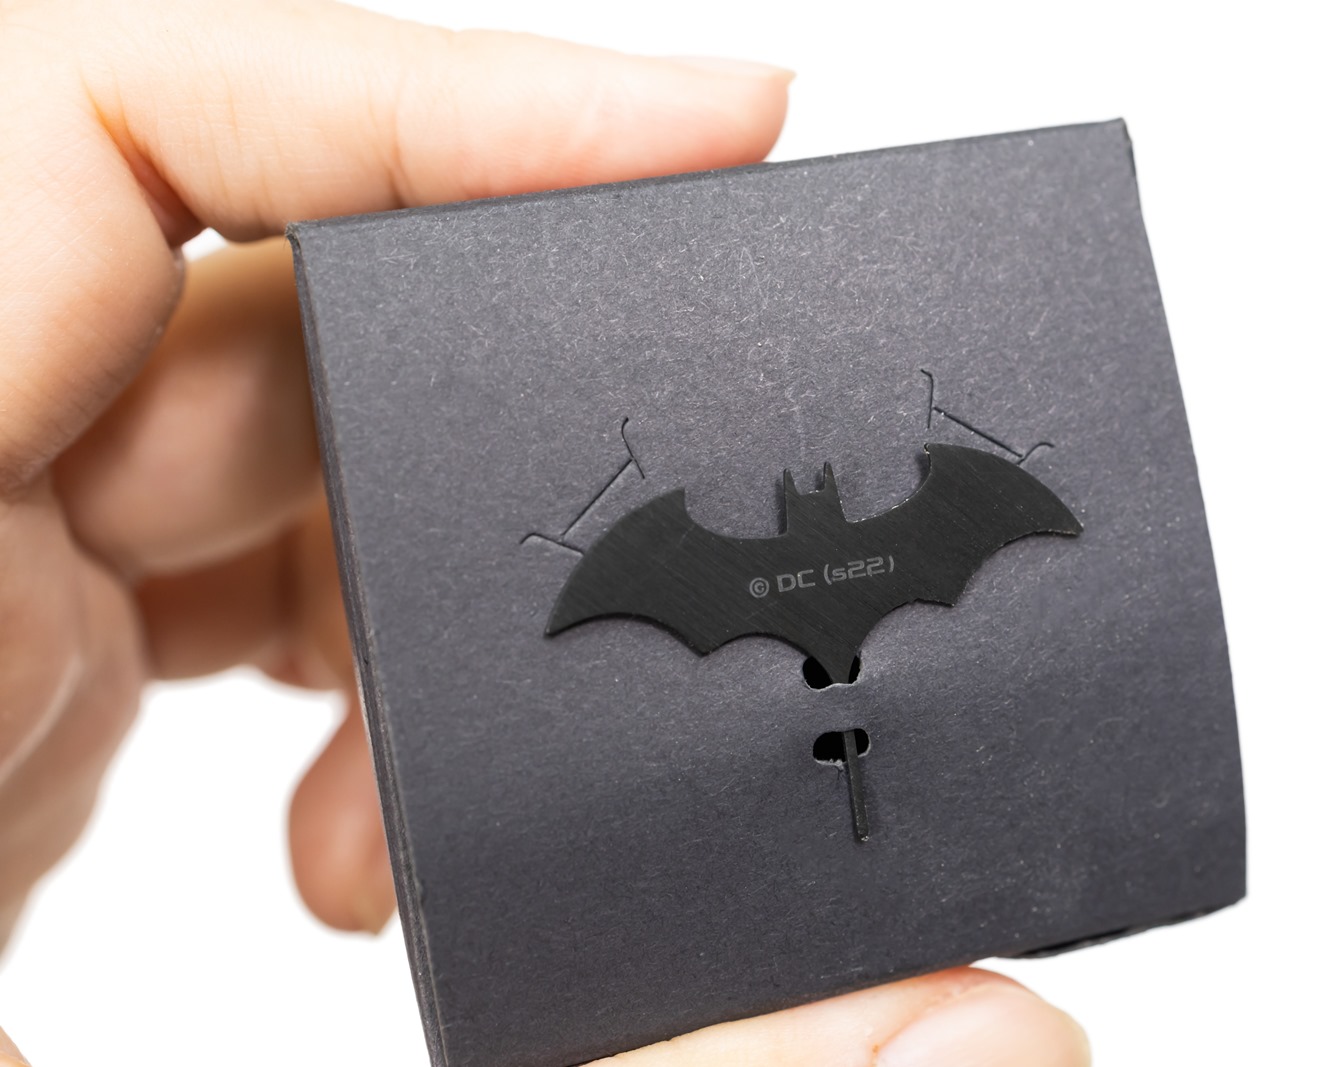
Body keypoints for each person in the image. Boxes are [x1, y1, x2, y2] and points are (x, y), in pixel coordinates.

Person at [0, 1, 1090, 1063]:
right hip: (804, 648)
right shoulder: (740, 552)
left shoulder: (901, 520)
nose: (809, 496)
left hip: (847, 650)